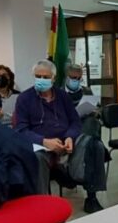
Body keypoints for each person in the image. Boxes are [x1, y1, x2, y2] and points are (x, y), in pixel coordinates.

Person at [14, 60, 107, 213]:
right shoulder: (24, 98)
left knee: (95, 145)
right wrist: (44, 142)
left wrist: (70, 137)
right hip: (42, 144)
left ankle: (92, 197)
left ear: (54, 78)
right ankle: (41, 204)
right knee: (37, 157)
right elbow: (21, 130)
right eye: (38, 76)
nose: (41, 80)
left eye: (46, 77)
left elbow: (75, 121)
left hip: (66, 141)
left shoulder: (62, 96)